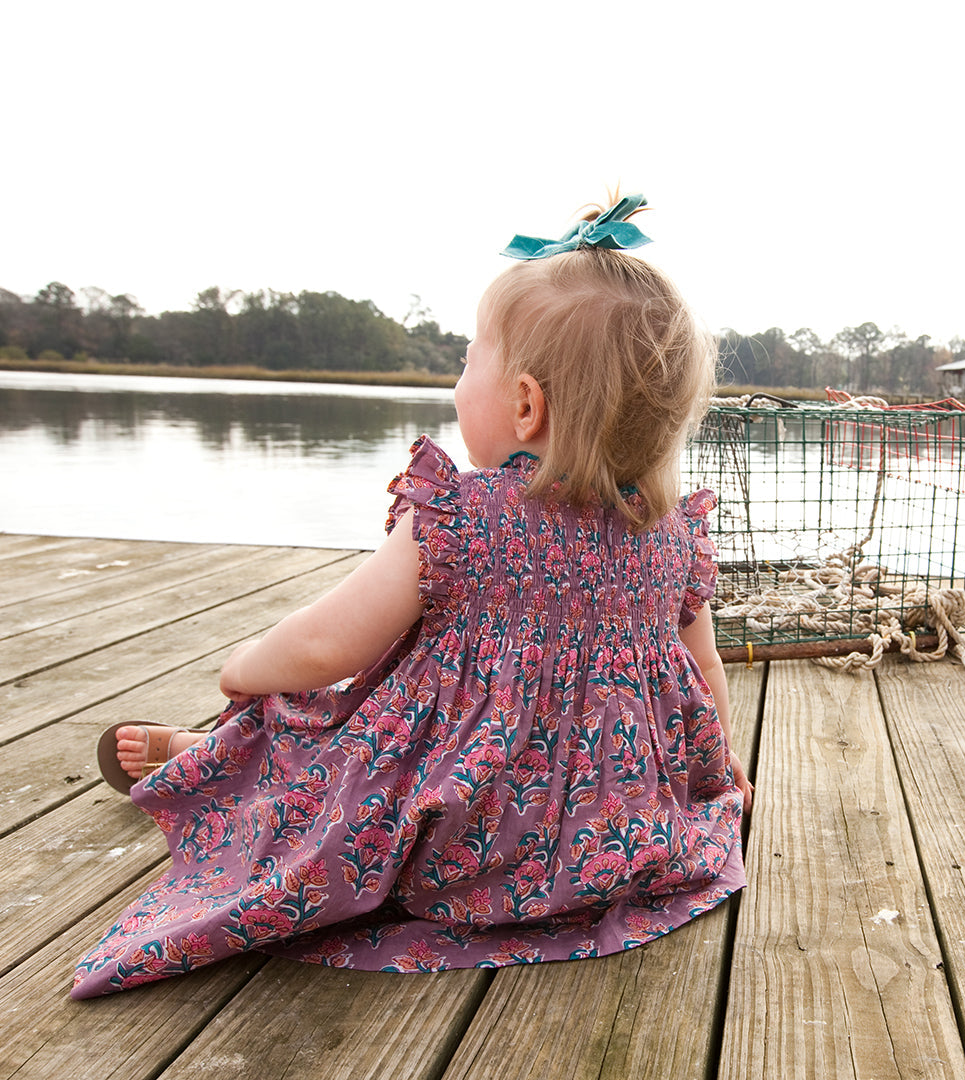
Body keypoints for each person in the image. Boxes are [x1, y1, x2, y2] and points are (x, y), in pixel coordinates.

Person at [72, 193, 751, 999]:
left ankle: (215, 755)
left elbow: (329, 646)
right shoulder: (670, 535)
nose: (458, 378)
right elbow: (702, 676)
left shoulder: (461, 517)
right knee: (354, 730)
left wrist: (244, 667)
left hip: (462, 839)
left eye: (468, 360)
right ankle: (217, 758)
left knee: (324, 723)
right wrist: (716, 777)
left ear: (526, 403)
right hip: (623, 839)